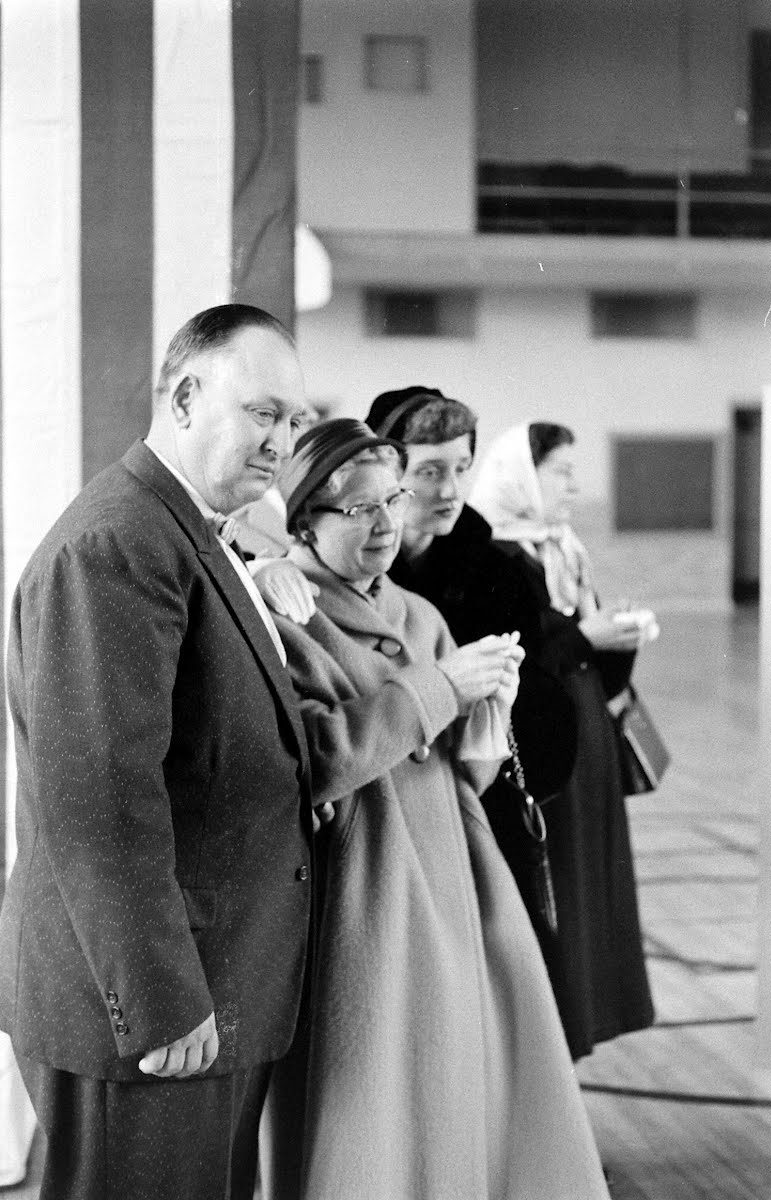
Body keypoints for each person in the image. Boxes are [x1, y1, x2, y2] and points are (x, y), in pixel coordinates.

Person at [0, 304, 326, 1200]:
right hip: (159, 1010)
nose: (281, 442)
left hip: (213, 979)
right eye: (262, 412)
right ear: (184, 398)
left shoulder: (183, 530)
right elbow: (99, 797)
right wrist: (160, 1000)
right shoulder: (119, 542)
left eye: (293, 420)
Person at [266, 417, 610, 1200]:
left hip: (451, 872)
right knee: (374, 1085)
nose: (386, 524)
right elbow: (313, 761)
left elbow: (460, 775)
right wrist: (441, 688)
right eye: (360, 509)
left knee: (459, 1071)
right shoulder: (286, 618)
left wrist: (489, 716)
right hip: (365, 883)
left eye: (392, 500)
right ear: (305, 521)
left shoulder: (419, 615)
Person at [363, 386, 578, 972]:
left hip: (476, 801)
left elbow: (533, 701)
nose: (451, 490)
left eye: (462, 468)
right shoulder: (352, 566)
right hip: (378, 809)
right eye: (430, 471)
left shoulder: (499, 572)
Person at [470, 420, 656, 1060]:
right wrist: (586, 637)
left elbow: (593, 665)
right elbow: (517, 662)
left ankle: (585, 1037)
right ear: (523, 477)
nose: (574, 486)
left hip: (588, 744)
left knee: (589, 896)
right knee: (559, 902)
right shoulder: (497, 559)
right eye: (562, 472)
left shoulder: (565, 552)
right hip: (544, 756)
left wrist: (618, 639)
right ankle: (558, 1052)